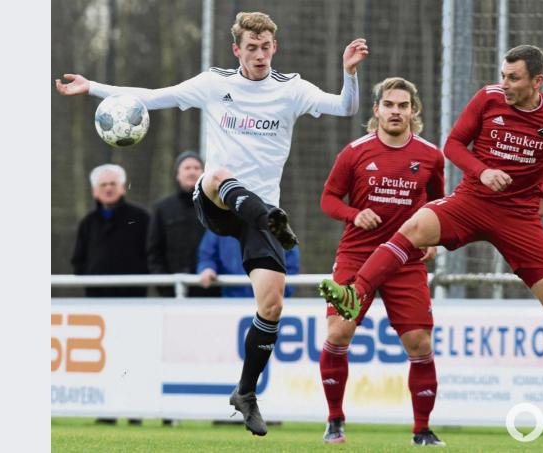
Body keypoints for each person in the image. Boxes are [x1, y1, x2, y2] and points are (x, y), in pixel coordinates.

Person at [56, 11, 368, 436]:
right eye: (251, 48)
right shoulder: (214, 83)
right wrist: (92, 87)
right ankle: (268, 218)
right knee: (218, 174)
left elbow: (345, 106)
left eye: (266, 47)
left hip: (260, 216)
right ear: (237, 49)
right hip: (219, 201)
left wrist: (349, 74)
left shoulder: (291, 89)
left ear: (275, 47)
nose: (259, 55)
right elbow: (150, 96)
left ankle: (245, 392)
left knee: (271, 303)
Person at [319, 45, 543, 404]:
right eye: (502, 75)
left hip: (519, 215)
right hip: (471, 200)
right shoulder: (488, 99)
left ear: (537, 81)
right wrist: (482, 171)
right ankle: (354, 293)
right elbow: (454, 144)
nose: (504, 84)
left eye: (513, 78)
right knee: (415, 227)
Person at [316, 77, 446, 446]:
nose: (396, 111)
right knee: (338, 332)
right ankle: (335, 420)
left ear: (413, 111)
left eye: (403, 106)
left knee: (419, 343)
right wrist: (354, 214)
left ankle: (422, 430)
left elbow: (440, 202)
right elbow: (328, 199)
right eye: (389, 105)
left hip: (405, 259)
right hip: (357, 254)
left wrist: (434, 235)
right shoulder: (354, 152)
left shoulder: (430, 155)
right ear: (376, 110)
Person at [147, 150, 220, 299]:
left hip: (211, 290)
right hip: (173, 292)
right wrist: (165, 285)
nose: (192, 172)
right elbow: (154, 252)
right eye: (187, 168)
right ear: (177, 175)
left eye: (196, 168)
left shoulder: (217, 206)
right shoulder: (162, 208)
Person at [71, 164, 150, 298]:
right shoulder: (87, 223)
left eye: (113, 184)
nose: (108, 188)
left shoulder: (141, 218)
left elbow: (151, 254)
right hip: (96, 298)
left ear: (123, 188)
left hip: (133, 297)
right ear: (94, 191)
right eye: (103, 185)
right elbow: (78, 260)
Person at [197, 231, 300, 298]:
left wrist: (280, 291)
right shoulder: (220, 224)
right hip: (231, 304)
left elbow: (291, 265)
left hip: (271, 305)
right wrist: (207, 268)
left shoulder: (277, 224)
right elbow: (207, 256)